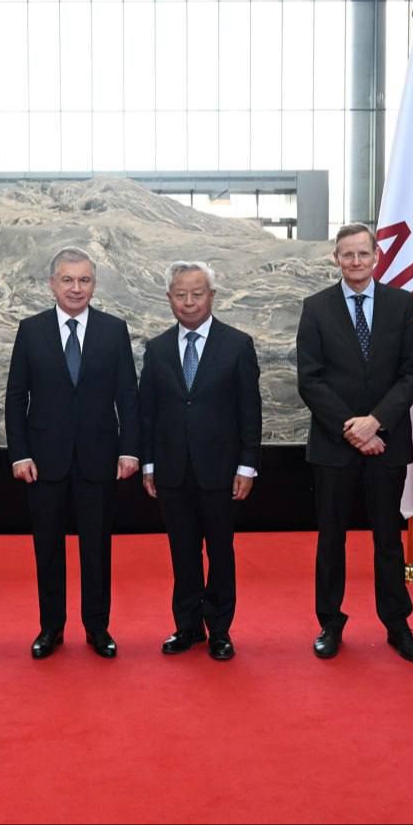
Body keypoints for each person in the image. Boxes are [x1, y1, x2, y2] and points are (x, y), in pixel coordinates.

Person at [296, 224, 413, 662]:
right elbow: (310, 379)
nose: (355, 262)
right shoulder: (316, 307)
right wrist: (351, 429)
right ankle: (330, 623)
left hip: (387, 442)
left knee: (388, 539)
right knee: (331, 539)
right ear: (336, 258)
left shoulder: (402, 304)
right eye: (347, 254)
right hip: (334, 445)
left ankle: (397, 624)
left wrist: (376, 423)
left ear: (376, 257)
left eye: (362, 254)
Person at [6, 247, 139, 659]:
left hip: (100, 459)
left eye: (84, 280)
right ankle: (51, 628)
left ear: (94, 285)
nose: (76, 288)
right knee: (47, 549)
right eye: (67, 280)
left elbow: (128, 396)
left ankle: (98, 628)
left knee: (96, 549)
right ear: (52, 284)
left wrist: (130, 450)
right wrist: (19, 454)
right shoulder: (31, 330)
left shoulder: (114, 330)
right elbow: (16, 397)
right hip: (43, 462)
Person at [139, 261, 262, 661]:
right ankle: (187, 626)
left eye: (197, 293)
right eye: (181, 294)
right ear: (169, 298)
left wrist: (247, 465)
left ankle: (220, 629)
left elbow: (250, 411)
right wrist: (148, 464)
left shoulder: (237, 345)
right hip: (172, 470)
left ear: (211, 296)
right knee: (183, 552)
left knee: (220, 552)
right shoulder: (157, 348)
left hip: (222, 471)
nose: (189, 302)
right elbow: (147, 412)